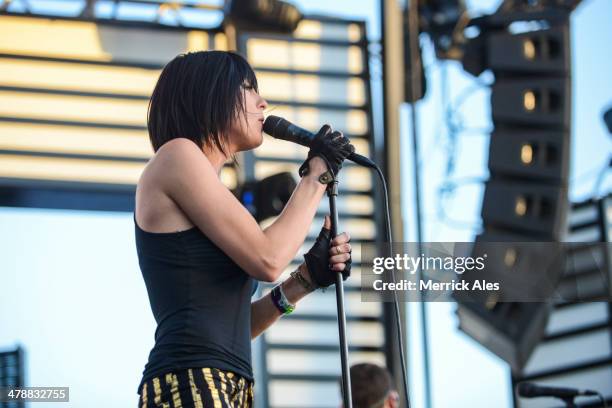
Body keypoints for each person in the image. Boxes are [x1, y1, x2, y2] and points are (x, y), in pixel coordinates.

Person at [134, 50, 355, 408]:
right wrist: (317, 175)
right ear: (211, 94)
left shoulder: (214, 194)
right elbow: (268, 259)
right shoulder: (176, 156)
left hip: (224, 382)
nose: (262, 101)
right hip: (190, 378)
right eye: (249, 88)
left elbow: (233, 325)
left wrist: (306, 279)